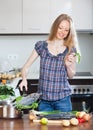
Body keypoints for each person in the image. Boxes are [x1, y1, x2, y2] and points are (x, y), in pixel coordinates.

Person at [19, 14, 80, 112]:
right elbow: (26, 66)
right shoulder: (42, 46)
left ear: (69, 32)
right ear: (55, 26)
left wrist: (68, 66)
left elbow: (71, 75)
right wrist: (24, 79)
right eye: (60, 28)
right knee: (45, 127)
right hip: (44, 101)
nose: (63, 32)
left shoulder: (70, 49)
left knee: (65, 126)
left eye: (66, 30)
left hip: (63, 100)